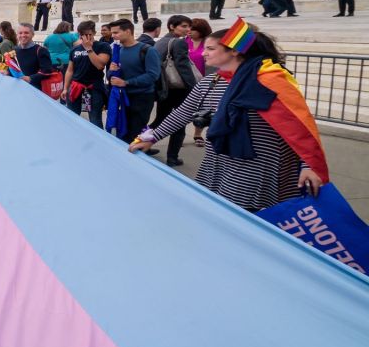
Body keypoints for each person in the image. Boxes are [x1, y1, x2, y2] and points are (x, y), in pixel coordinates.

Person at [131, 25, 328, 212]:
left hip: (259, 166)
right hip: (220, 161)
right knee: (220, 212)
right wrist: (151, 137)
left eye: (210, 48)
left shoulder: (271, 81)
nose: (203, 53)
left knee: (252, 218)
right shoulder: (211, 82)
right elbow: (183, 113)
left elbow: (300, 127)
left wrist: (308, 165)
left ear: (233, 51)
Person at [153, 15, 198, 167]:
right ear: (172, 26)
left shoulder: (160, 42)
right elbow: (184, 68)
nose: (187, 29)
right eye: (184, 26)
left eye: (188, 27)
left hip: (165, 88)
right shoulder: (179, 42)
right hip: (179, 89)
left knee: (159, 120)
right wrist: (194, 89)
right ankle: (172, 157)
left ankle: (140, 141)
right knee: (180, 124)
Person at [108, 19, 161, 144]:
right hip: (123, 97)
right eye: (112, 33)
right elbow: (115, 76)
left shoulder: (147, 50)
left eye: (116, 32)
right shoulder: (118, 50)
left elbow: (153, 75)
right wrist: (111, 72)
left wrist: (126, 82)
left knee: (135, 133)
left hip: (142, 97)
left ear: (128, 31)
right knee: (124, 131)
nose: (113, 36)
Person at [63, 21, 111, 128]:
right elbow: (70, 70)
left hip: (94, 86)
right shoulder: (75, 49)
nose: (87, 37)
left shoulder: (103, 46)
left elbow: (100, 65)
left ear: (94, 33)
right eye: (83, 35)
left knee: (95, 119)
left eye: (89, 34)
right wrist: (65, 88)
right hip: (76, 85)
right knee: (72, 116)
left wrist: (89, 48)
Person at [187, 18, 214, 146]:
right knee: (184, 108)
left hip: (204, 79)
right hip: (187, 81)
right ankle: (178, 134)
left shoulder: (208, 43)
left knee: (203, 107)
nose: (189, 31)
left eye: (193, 29)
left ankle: (197, 134)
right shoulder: (184, 42)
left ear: (202, 31)